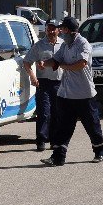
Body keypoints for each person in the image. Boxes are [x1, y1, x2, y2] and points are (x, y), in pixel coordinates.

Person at [42, 16, 103, 166]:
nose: (61, 32)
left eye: (63, 29)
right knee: (63, 126)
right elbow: (56, 61)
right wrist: (43, 64)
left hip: (84, 94)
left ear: (70, 31)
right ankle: (58, 157)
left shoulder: (83, 44)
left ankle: (100, 151)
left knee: (92, 125)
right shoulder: (65, 45)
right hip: (66, 94)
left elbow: (81, 64)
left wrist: (64, 66)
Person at [23, 19, 63, 152]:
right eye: (48, 28)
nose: (51, 31)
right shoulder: (39, 45)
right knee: (44, 113)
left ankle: (54, 140)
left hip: (59, 83)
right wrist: (32, 77)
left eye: (53, 29)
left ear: (58, 30)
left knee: (57, 113)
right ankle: (41, 140)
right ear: (46, 29)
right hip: (43, 83)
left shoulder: (63, 45)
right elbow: (27, 62)